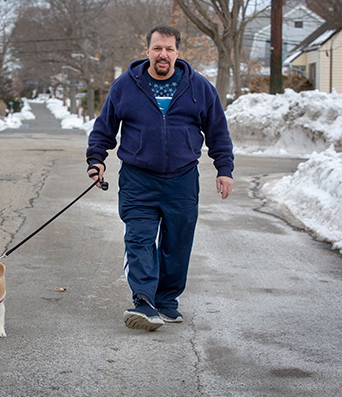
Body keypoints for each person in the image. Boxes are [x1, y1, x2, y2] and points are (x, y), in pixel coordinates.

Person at [86, 25, 234, 331]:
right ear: (147, 51)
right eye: (157, 49)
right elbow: (105, 127)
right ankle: (144, 301)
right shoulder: (126, 86)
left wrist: (224, 169)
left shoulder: (199, 87)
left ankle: (166, 301)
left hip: (181, 179)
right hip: (138, 178)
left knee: (177, 243)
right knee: (139, 238)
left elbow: (218, 131)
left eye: (168, 49)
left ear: (177, 52)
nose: (162, 55)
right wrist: (96, 159)